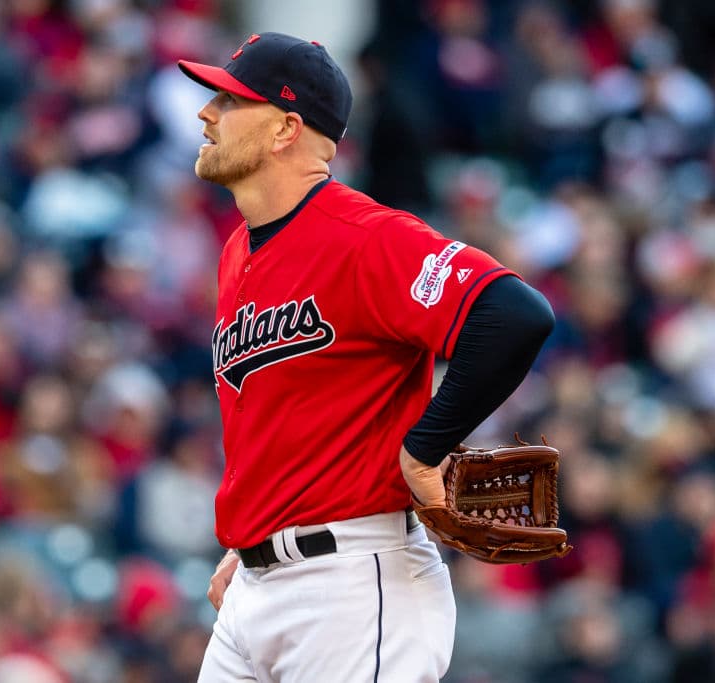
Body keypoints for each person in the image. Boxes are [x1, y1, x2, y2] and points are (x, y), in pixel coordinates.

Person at [179, 32, 555, 682]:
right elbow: (282, 415)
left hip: (352, 584)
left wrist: (424, 449)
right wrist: (257, 533)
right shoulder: (238, 249)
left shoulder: (366, 237)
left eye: (230, 100)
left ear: (284, 130)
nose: (207, 114)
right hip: (255, 588)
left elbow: (515, 315)